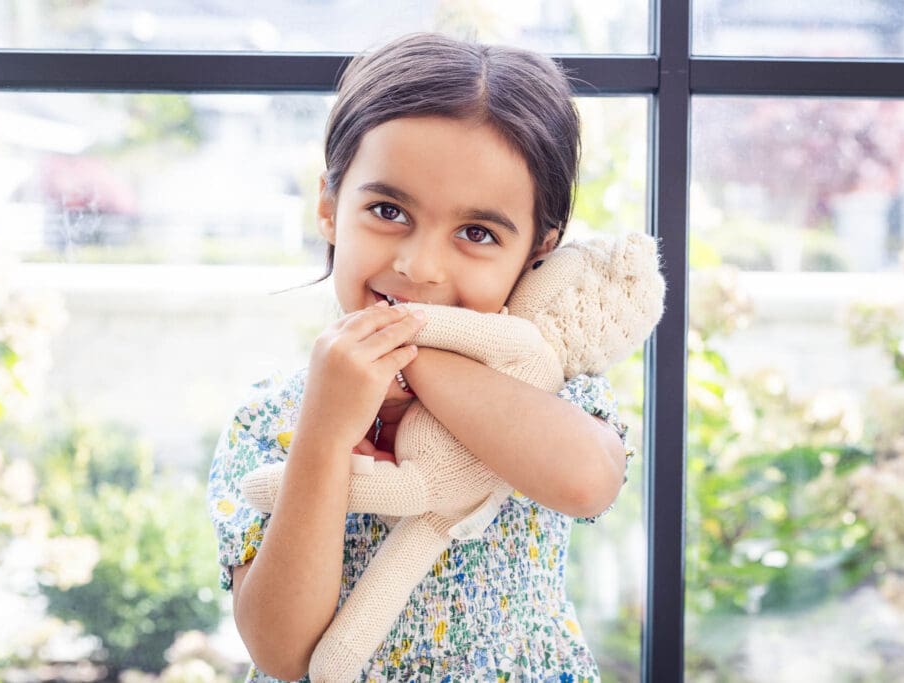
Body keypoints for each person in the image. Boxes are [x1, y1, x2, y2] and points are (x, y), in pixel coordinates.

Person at [207, 32, 632, 682]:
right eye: (387, 210)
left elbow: (586, 480)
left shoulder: (548, 386)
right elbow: (282, 651)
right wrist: (323, 434)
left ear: (538, 253)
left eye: (477, 233)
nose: (419, 265)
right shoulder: (274, 414)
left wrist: (421, 358)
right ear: (328, 206)